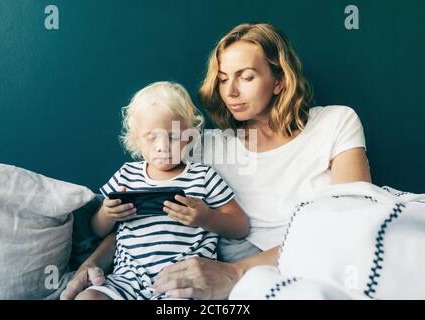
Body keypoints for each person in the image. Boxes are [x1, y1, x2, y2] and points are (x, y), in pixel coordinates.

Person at [61, 23, 371, 300]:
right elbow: (145, 219)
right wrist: (91, 265)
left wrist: (234, 272)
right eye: (223, 80)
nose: (231, 92)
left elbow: (349, 222)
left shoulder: (334, 122)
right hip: (211, 263)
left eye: (246, 77)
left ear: (278, 81)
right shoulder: (201, 145)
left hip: (305, 257)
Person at [72, 81, 249, 300]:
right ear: (136, 138)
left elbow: (241, 226)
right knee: (87, 298)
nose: (162, 146)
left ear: (189, 136)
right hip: (126, 279)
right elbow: (97, 230)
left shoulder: (203, 176)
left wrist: (207, 218)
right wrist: (107, 215)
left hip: (182, 281)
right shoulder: (126, 175)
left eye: (173, 136)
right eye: (151, 136)